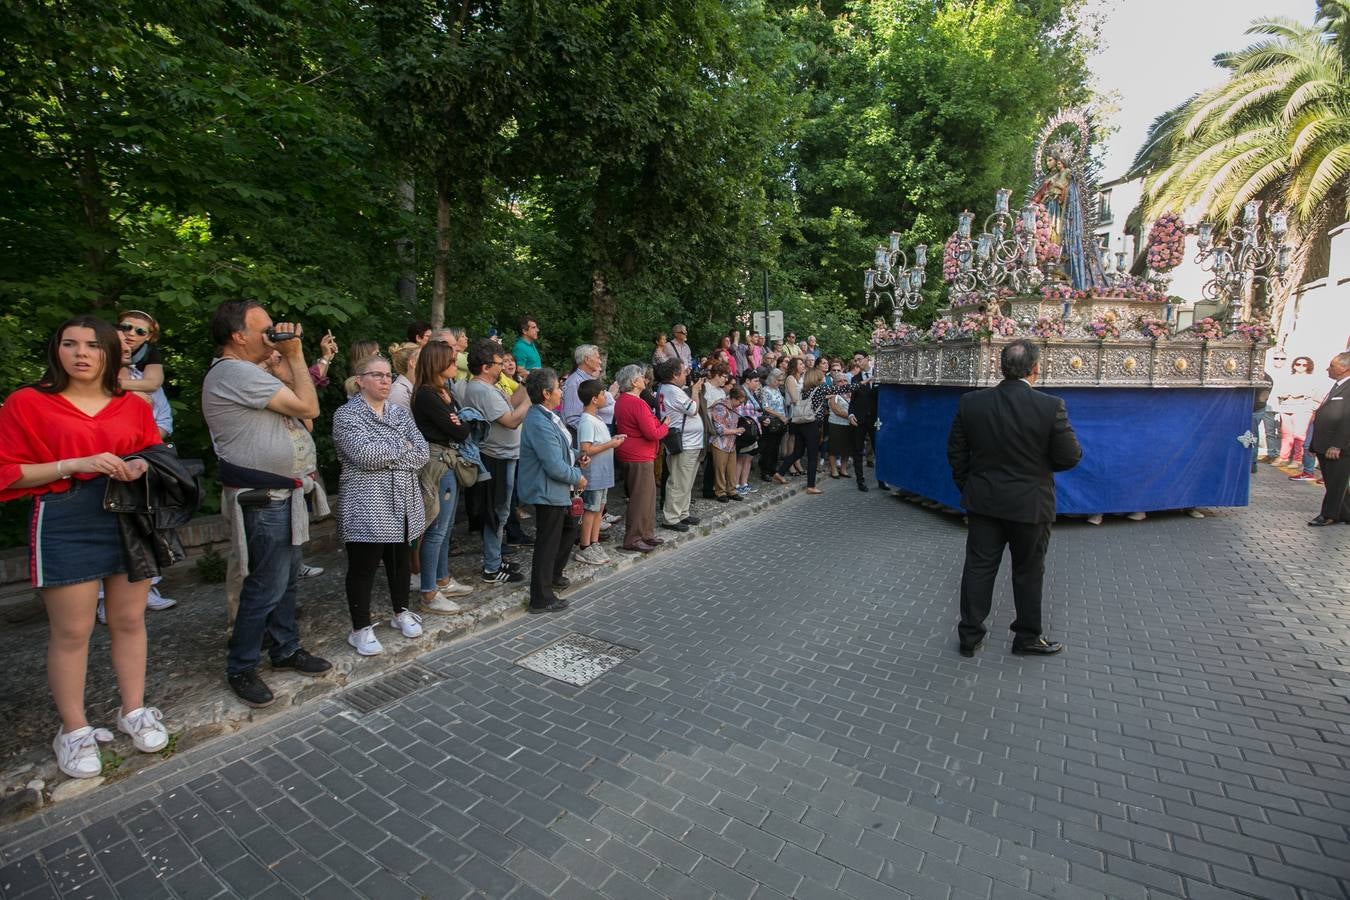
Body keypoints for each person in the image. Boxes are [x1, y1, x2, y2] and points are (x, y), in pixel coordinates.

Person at [0, 316, 170, 777]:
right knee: (72, 631)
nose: (80, 353)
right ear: (56, 350)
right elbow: (9, 470)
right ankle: (73, 729)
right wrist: (73, 462)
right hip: (65, 516)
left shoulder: (132, 405)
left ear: (109, 354)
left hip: (127, 516)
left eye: (92, 345)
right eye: (69, 343)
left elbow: (154, 456)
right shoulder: (27, 402)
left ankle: (132, 710)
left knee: (129, 619)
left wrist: (138, 468)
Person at [202, 299, 332, 709]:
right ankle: (241, 665)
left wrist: (284, 367)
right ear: (238, 336)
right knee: (264, 584)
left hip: (283, 493)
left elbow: (306, 418)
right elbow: (310, 406)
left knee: (287, 579)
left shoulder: (251, 373)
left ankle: (285, 649)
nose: (273, 336)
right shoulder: (233, 372)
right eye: (264, 330)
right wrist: (295, 356)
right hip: (262, 497)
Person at [947, 339, 1082, 657]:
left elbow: (956, 452)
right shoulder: (1050, 406)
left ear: (1000, 367)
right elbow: (1070, 456)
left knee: (979, 567)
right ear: (1036, 369)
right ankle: (1026, 637)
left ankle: (970, 636)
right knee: (1028, 571)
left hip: (984, 500)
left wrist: (970, 486)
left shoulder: (972, 402)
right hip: (1030, 504)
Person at [333, 356, 428, 655]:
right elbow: (364, 455)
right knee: (364, 567)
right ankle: (360, 628)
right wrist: (402, 447)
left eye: (389, 375)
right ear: (360, 379)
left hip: (403, 501)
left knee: (400, 562)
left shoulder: (399, 412)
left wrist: (390, 451)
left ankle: (401, 611)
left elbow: (422, 452)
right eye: (378, 375)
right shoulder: (346, 415)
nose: (386, 381)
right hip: (367, 504)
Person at [411, 342, 477, 610]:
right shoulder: (427, 395)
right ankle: (429, 592)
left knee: (446, 527)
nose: (455, 365)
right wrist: (460, 421)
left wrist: (459, 422)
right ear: (437, 364)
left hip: (448, 460)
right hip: (438, 463)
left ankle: (442, 579)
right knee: (436, 529)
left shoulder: (444, 391)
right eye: (450, 361)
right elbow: (461, 431)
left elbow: (460, 426)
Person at [457, 340, 529, 584]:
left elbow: (509, 404)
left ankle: (495, 558)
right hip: (495, 457)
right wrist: (532, 399)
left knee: (502, 510)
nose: (503, 367)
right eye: (499, 364)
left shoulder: (490, 387)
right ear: (486, 367)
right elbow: (510, 420)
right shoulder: (482, 390)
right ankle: (491, 567)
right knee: (497, 512)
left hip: (504, 455)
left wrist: (527, 386)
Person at [519, 369, 588, 613]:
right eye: (558, 388)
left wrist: (578, 456)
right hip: (546, 490)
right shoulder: (538, 421)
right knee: (547, 542)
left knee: (569, 528)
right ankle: (541, 597)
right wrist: (577, 477)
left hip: (556, 489)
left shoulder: (548, 415)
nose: (561, 392)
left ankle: (554, 575)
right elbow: (552, 464)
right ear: (546, 393)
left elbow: (561, 450)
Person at [614, 364, 669, 551]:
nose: (643, 379)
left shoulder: (623, 400)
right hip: (639, 455)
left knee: (647, 496)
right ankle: (634, 538)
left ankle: (646, 533)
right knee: (640, 498)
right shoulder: (635, 402)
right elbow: (651, 433)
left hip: (633, 453)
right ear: (633, 382)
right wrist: (666, 426)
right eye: (640, 377)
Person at [576, 379, 624, 562]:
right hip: (593, 474)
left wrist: (613, 439)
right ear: (595, 399)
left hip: (603, 472)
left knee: (599, 509)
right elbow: (586, 449)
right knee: (591, 508)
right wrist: (611, 444)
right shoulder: (587, 421)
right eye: (603, 394)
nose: (606, 397)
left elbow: (600, 443)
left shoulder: (597, 418)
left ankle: (594, 542)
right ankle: (584, 546)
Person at [655, 359, 704, 530]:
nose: (687, 375)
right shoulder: (673, 392)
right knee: (678, 481)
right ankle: (671, 518)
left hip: (690, 442)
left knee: (686, 481)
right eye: (683, 372)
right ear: (675, 375)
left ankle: (682, 513)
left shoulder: (668, 389)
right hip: (684, 443)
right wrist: (696, 391)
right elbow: (692, 409)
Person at [1307, 351, 1350, 526]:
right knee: (1334, 481)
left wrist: (1337, 445)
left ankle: (1328, 515)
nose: (1328, 369)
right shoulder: (1338, 385)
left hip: (1337, 446)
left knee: (1336, 482)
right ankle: (1345, 513)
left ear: (1345, 368)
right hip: (1324, 443)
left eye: (1332, 365)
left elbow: (1347, 418)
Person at [778, 368, 826, 493]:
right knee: (812, 455)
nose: (824, 378)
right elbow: (841, 388)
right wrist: (860, 384)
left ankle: (780, 472)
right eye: (822, 376)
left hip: (800, 422)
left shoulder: (804, 390)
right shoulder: (820, 389)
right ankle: (811, 486)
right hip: (812, 424)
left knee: (797, 452)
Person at [1275, 357, 1321, 466]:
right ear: (1294, 365)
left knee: (1299, 436)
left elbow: (1318, 397)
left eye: (1304, 365)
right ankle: (1283, 457)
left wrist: (1312, 409)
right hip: (1287, 407)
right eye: (1298, 364)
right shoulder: (1288, 378)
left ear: (1309, 366)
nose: (1300, 366)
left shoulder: (1312, 379)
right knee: (1286, 435)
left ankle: (1297, 460)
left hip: (1302, 408)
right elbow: (1279, 393)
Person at [561, 344, 611, 431]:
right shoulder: (574, 382)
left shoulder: (587, 379)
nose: (600, 362)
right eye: (597, 358)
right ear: (587, 360)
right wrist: (591, 432)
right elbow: (572, 418)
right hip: (579, 437)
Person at [115, 310, 166, 395]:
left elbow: (153, 384)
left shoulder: (149, 351)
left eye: (140, 331)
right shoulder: (103, 342)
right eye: (126, 327)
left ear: (148, 336)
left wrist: (112, 385)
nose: (131, 333)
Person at [734, 370, 763, 494]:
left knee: (749, 458)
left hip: (754, 429)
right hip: (745, 431)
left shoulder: (752, 393)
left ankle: (744, 483)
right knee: (741, 458)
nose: (758, 383)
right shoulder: (741, 392)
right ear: (747, 380)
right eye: (755, 381)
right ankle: (735, 484)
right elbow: (739, 412)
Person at [759, 368, 788, 484]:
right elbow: (765, 407)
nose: (780, 383)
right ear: (772, 379)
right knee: (768, 448)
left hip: (780, 423)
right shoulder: (766, 390)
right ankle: (765, 471)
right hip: (771, 422)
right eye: (778, 380)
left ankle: (773, 469)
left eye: (781, 381)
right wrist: (780, 416)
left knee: (776, 447)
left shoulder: (777, 390)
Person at [387, 342, 419, 410]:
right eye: (424, 358)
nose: (429, 362)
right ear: (412, 363)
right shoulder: (399, 393)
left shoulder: (411, 388)